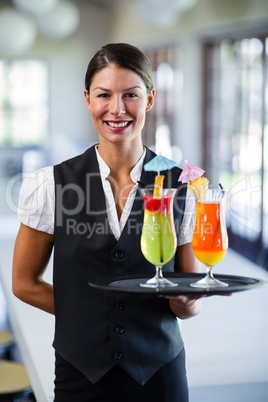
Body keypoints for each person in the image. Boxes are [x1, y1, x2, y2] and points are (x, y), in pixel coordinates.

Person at [12, 43, 202, 402]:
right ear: (88, 99)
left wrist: (189, 301)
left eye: (131, 95)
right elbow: (24, 284)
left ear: (149, 99)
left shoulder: (182, 186)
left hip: (159, 371)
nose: (117, 109)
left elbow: (186, 302)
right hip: (80, 370)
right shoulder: (49, 185)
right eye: (104, 95)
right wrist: (88, 313)